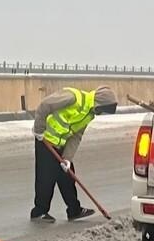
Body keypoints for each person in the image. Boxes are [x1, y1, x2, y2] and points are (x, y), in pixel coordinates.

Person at [29, 85, 117, 221]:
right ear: (98, 103)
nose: (101, 114)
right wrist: (39, 129)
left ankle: (74, 210)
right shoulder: (72, 97)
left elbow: (76, 136)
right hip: (45, 140)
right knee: (46, 178)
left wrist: (67, 158)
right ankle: (39, 212)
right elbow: (44, 105)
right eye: (103, 110)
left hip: (61, 144)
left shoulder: (89, 114)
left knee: (68, 177)